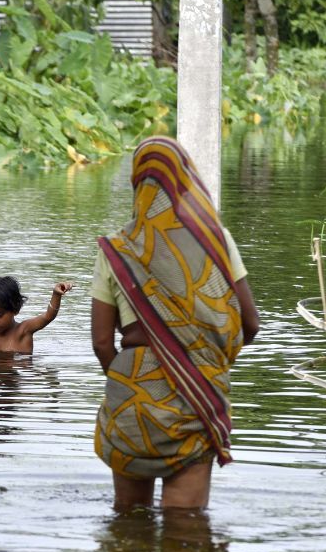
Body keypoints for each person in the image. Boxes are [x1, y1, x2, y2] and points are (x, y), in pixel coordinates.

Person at [90, 136, 260, 511]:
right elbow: (250, 323)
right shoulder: (218, 242)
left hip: (132, 397)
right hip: (194, 396)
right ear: (185, 180)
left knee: (128, 524)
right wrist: (203, 363)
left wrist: (129, 382)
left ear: (137, 182)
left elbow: (102, 342)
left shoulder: (117, 249)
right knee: (187, 531)